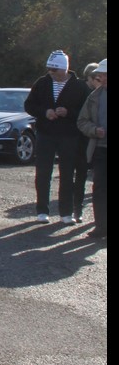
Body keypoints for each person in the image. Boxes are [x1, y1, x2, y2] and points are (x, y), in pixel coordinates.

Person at [24, 50, 90, 224]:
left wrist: (69, 112)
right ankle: (42, 210)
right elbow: (29, 105)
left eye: (54, 70)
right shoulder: (42, 83)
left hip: (69, 135)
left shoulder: (80, 86)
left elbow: (86, 112)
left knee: (67, 174)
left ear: (64, 69)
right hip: (46, 133)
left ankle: (66, 213)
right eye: (49, 70)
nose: (51, 73)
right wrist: (45, 112)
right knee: (43, 172)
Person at [76, 59, 107, 238]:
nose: (101, 78)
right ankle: (101, 227)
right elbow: (81, 121)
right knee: (100, 189)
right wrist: (94, 130)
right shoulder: (94, 96)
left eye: (104, 75)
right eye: (100, 75)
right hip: (101, 150)